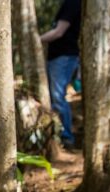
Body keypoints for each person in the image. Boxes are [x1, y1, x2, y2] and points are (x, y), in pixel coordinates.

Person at [40, 0, 81, 149]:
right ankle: (60, 134)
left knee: (58, 97)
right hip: (59, 57)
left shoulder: (73, 4)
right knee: (54, 96)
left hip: (64, 57)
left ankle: (66, 137)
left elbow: (59, 32)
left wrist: (37, 39)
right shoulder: (67, 4)